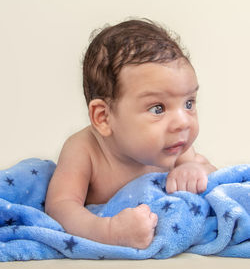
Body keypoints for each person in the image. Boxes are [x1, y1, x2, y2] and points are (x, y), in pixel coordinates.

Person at [45, 19, 216, 249]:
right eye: (158, 108)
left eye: (188, 103)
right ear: (103, 118)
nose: (183, 122)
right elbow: (60, 206)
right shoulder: (84, 150)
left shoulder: (176, 149)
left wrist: (194, 170)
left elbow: (213, 175)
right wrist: (108, 231)